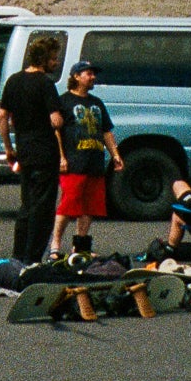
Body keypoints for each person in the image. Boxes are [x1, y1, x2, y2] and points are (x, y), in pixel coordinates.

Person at [0, 35, 64, 263]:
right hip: (45, 151)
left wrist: (8, 147)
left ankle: (18, 255)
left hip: (24, 150)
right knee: (43, 208)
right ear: (44, 59)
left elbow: (2, 117)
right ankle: (33, 259)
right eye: (53, 58)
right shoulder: (46, 84)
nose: (55, 63)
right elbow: (55, 120)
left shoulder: (13, 81)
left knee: (26, 205)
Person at [51, 62, 123, 260]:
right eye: (88, 74)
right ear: (76, 76)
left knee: (90, 206)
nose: (92, 78)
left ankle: (80, 246)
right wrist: (61, 157)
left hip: (95, 161)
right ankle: (55, 244)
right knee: (69, 202)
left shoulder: (97, 103)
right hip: (74, 161)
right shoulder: (64, 101)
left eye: (93, 74)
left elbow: (106, 131)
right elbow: (56, 131)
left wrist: (115, 154)